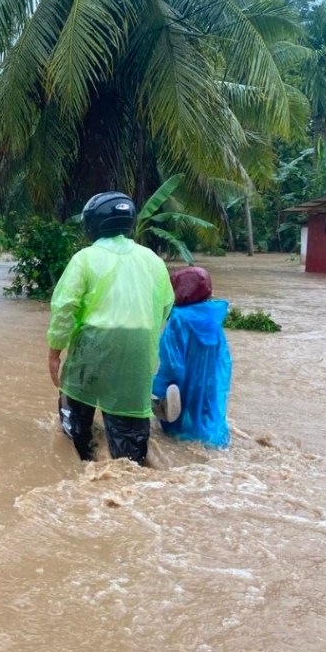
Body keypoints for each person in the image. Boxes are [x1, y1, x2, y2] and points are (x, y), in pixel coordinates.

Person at [47, 191, 174, 465]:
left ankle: (82, 462)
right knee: (129, 434)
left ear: (93, 223)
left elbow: (65, 307)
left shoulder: (85, 258)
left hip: (94, 343)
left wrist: (54, 352)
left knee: (76, 417)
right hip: (139, 346)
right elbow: (166, 306)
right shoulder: (153, 260)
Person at [152, 266, 232, 448]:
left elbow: (172, 361)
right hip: (209, 380)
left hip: (184, 381)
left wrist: (161, 387)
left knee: (178, 427)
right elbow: (223, 359)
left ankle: (181, 444)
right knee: (203, 413)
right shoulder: (213, 317)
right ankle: (209, 443)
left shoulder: (178, 319)